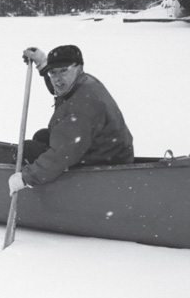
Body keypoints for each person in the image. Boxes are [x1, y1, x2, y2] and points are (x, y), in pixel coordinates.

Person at [8, 45, 134, 195]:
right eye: (53, 73)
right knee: (42, 136)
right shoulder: (84, 82)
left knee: (27, 149)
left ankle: (44, 193)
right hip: (107, 150)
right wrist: (42, 64)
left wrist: (26, 178)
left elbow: (62, 155)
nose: (57, 79)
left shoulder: (82, 107)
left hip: (105, 163)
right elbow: (60, 87)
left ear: (79, 68)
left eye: (63, 71)